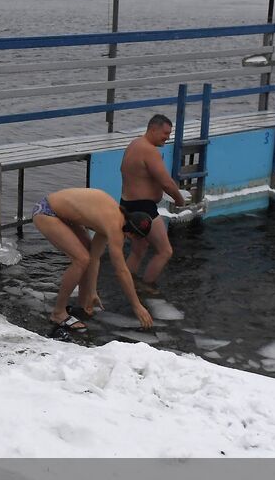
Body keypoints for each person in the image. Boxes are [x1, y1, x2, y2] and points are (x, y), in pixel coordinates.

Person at [30, 187, 155, 333]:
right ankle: (58, 313)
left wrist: (92, 291)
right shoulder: (115, 227)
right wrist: (137, 305)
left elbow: (95, 258)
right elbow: (121, 271)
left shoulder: (111, 220)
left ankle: (83, 305)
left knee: (88, 255)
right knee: (81, 259)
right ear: (131, 234)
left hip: (60, 214)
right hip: (46, 212)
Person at [120, 113, 187, 293]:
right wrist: (180, 201)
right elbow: (166, 183)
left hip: (127, 205)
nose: (168, 137)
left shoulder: (134, 144)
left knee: (139, 249)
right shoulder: (149, 151)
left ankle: (127, 283)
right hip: (144, 209)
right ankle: (147, 287)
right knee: (165, 251)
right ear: (153, 129)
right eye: (165, 133)